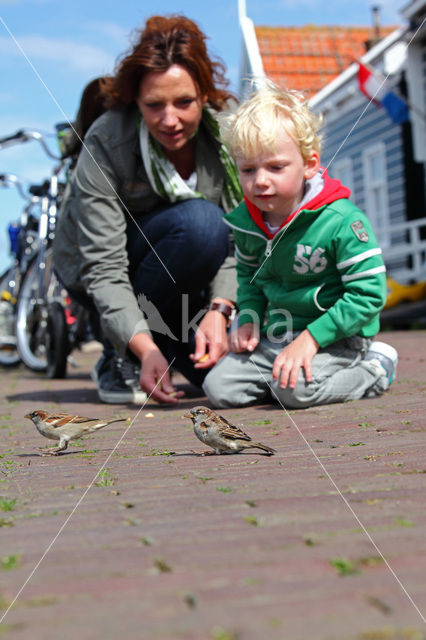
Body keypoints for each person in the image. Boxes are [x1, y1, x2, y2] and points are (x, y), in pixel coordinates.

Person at [53, 15, 242, 404]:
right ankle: (117, 353)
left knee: (222, 382)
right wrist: (143, 349)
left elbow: (242, 237)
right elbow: (104, 266)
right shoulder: (107, 139)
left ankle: (165, 337)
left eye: (184, 102)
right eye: (154, 105)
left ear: (205, 95)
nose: (170, 120)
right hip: (101, 270)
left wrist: (220, 311)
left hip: (186, 276)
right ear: (136, 102)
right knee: (201, 224)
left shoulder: (228, 134)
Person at [202, 82, 398, 409]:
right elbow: (250, 277)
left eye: (275, 167)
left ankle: (374, 369)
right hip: (276, 335)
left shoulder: (341, 220)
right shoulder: (248, 223)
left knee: (295, 392)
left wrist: (311, 339)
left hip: (336, 338)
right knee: (219, 389)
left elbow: (369, 294)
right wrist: (249, 315)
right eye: (248, 169)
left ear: (309, 164)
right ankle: (288, 377)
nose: (260, 180)